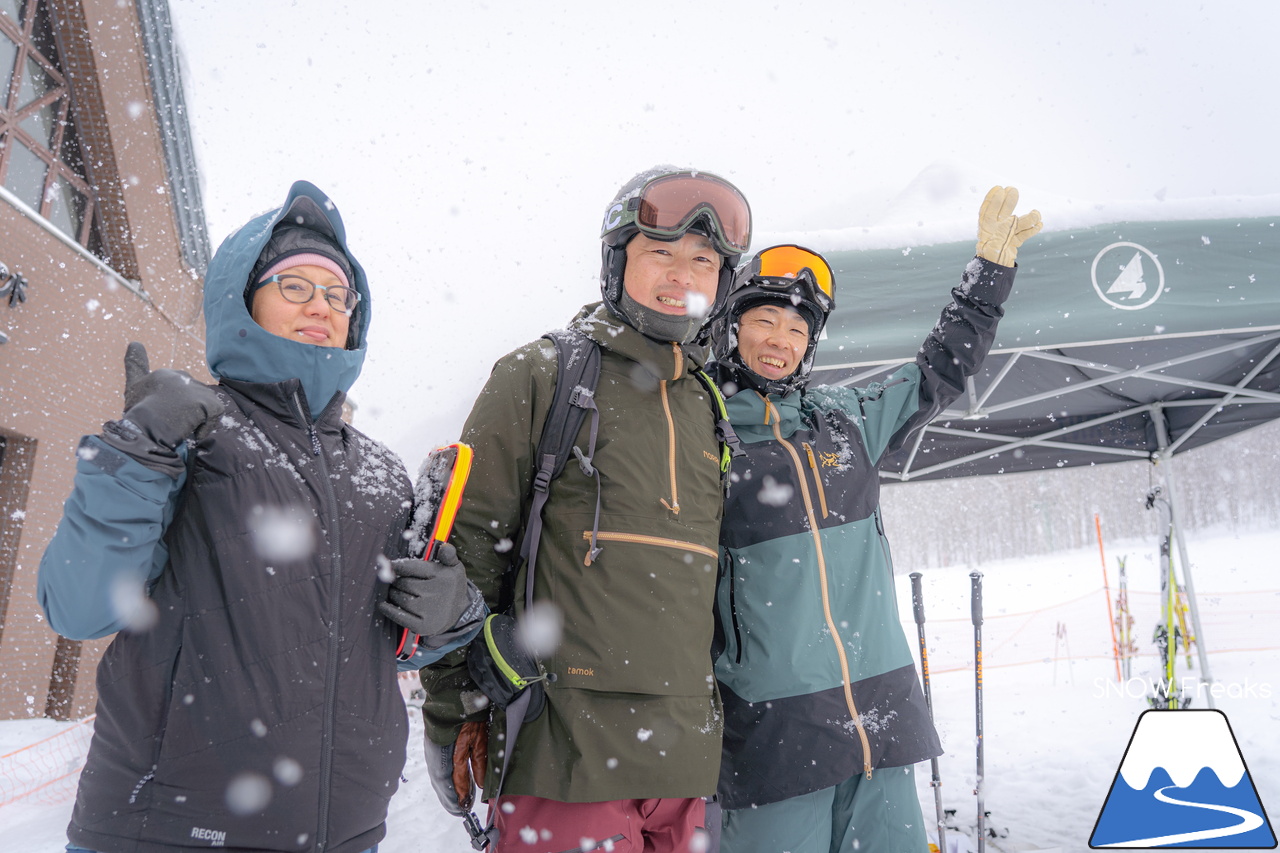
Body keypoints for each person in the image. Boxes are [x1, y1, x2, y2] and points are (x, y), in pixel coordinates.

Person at [38, 180, 483, 853]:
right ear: (244, 300)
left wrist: (452, 614)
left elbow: (385, 650)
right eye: (295, 286)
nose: (321, 307)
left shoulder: (381, 473)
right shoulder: (193, 430)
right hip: (164, 831)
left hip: (345, 833)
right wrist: (134, 456)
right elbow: (79, 606)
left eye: (337, 295)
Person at [418, 166, 752, 852]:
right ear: (616, 260)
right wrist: (455, 714)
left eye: (702, 260)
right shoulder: (543, 374)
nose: (681, 275)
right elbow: (466, 557)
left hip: (686, 759)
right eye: (659, 253)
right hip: (562, 750)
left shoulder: (708, 406)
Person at [707, 188, 1042, 853]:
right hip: (775, 731)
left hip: (880, 715)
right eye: (766, 320)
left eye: (799, 329)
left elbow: (939, 370)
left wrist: (986, 282)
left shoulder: (847, 418)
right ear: (731, 325)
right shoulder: (700, 433)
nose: (782, 340)